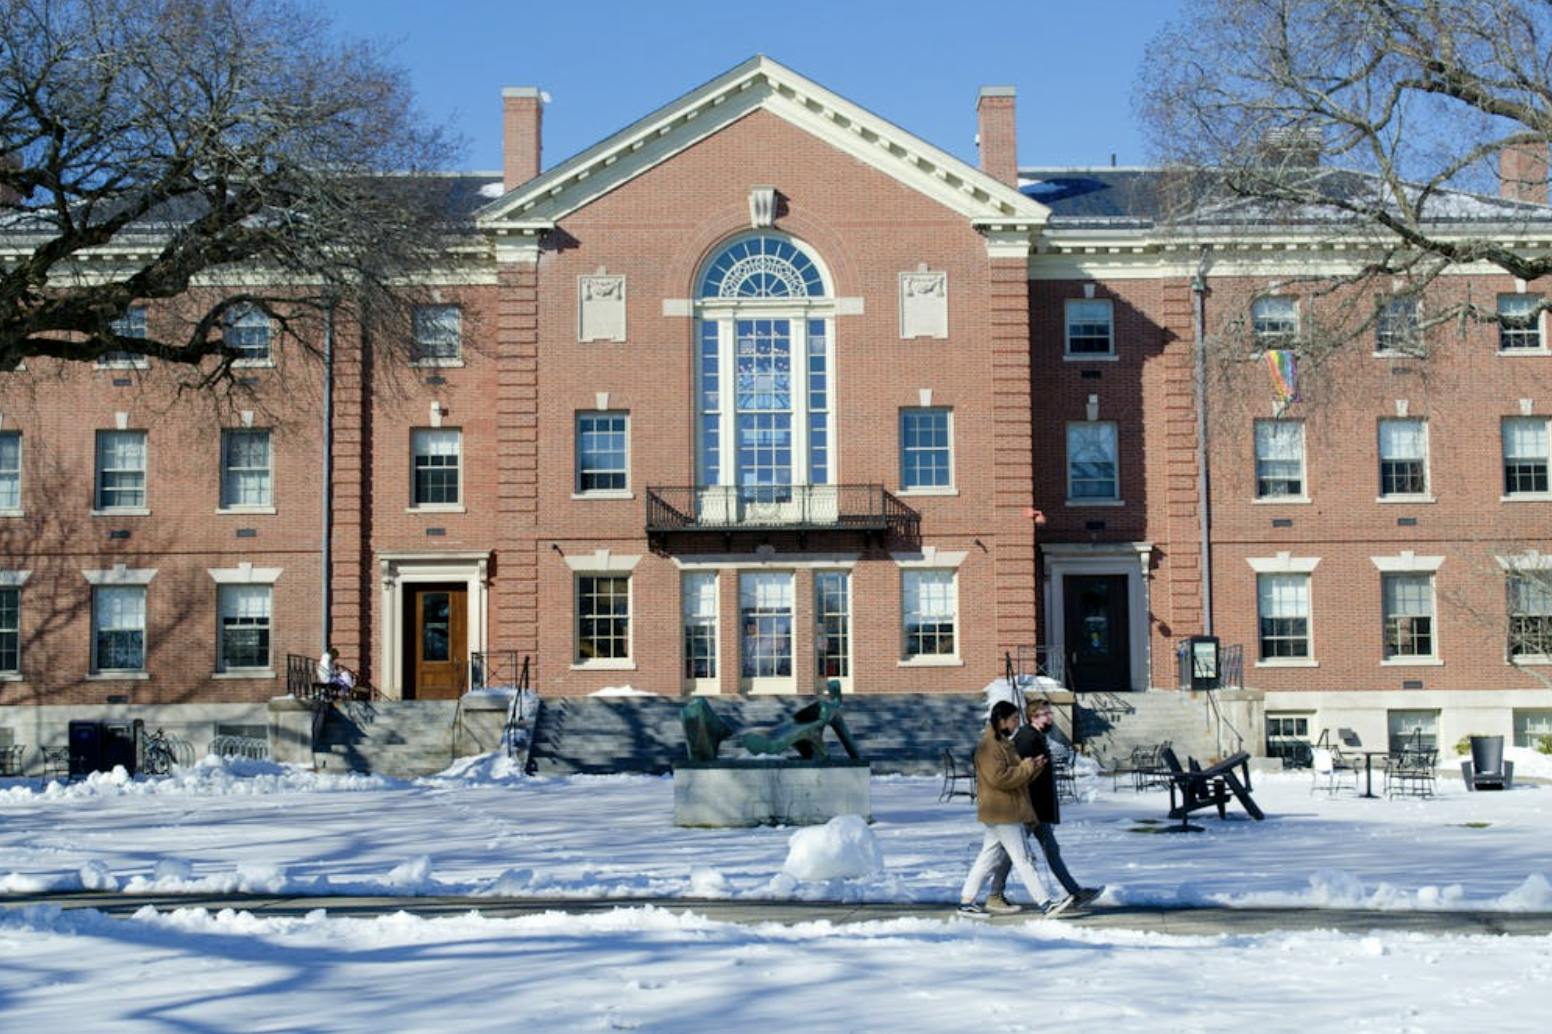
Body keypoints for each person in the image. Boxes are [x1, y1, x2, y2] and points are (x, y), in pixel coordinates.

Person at [987, 698, 1104, 917]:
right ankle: (995, 894)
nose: (1050, 717)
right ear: (1033, 717)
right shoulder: (1026, 739)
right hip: (1030, 807)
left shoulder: (1037, 736)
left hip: (1040, 807)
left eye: (1050, 713)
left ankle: (1075, 892)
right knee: (1013, 853)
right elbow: (1019, 774)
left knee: (1051, 850)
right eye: (1045, 714)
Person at [957, 700, 1053, 918]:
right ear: (1001, 721)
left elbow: (1017, 775)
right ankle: (1046, 903)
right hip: (1002, 811)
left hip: (1005, 809)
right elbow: (1000, 779)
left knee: (988, 858)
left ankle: (966, 901)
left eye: (1018, 719)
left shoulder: (1004, 744)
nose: (1017, 723)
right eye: (1014, 719)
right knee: (1023, 859)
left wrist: (1033, 768)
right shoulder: (988, 747)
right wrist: (1027, 767)